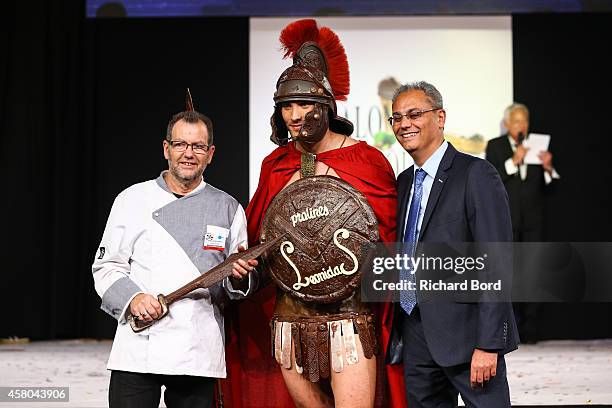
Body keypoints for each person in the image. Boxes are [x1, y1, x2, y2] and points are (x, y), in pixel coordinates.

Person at [222, 19, 406, 408]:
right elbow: (261, 237)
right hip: (290, 318)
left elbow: (386, 240)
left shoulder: (365, 161)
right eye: (287, 105)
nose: (294, 114)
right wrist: (246, 262)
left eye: (303, 103)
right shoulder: (276, 164)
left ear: (325, 106)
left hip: (348, 317)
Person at [92, 104, 259, 408]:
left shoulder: (228, 208)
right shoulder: (132, 199)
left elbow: (234, 286)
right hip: (139, 346)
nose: (188, 153)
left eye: (198, 146)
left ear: (211, 153)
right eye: (181, 144)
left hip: (198, 350)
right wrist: (134, 299)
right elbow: (106, 266)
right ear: (166, 149)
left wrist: (242, 276)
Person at [386, 81, 519, 407]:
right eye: (397, 118)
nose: (404, 124)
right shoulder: (403, 183)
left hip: (469, 339)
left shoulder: (476, 174)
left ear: (440, 117)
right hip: (415, 334)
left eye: (414, 114)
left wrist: (489, 344)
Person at [485, 103, 560, 343]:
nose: (521, 126)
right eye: (516, 121)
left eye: (524, 121)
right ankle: (512, 329)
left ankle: (531, 330)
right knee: (509, 274)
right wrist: (513, 161)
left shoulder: (537, 146)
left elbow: (552, 187)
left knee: (533, 273)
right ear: (507, 124)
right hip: (507, 221)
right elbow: (491, 178)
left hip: (533, 222)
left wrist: (548, 167)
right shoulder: (495, 146)